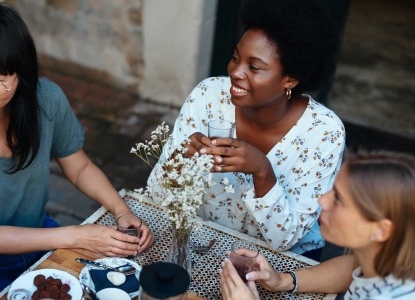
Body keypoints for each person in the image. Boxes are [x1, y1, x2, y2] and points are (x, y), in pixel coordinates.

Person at [0, 2, 154, 299]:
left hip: (40, 236)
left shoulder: (47, 100)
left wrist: (121, 210)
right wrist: (75, 235)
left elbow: (78, 167)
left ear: (21, 74)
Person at [148, 0, 344, 260]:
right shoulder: (209, 96)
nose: (235, 72)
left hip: (278, 261)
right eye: (235, 58)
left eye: (254, 67)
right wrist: (182, 157)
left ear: (291, 78)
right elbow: (157, 196)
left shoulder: (323, 133)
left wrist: (262, 172)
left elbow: (284, 239)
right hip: (204, 242)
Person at [220, 150, 415, 300]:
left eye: (338, 199)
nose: (322, 201)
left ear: (381, 230)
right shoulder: (383, 260)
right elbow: (353, 267)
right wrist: (283, 281)